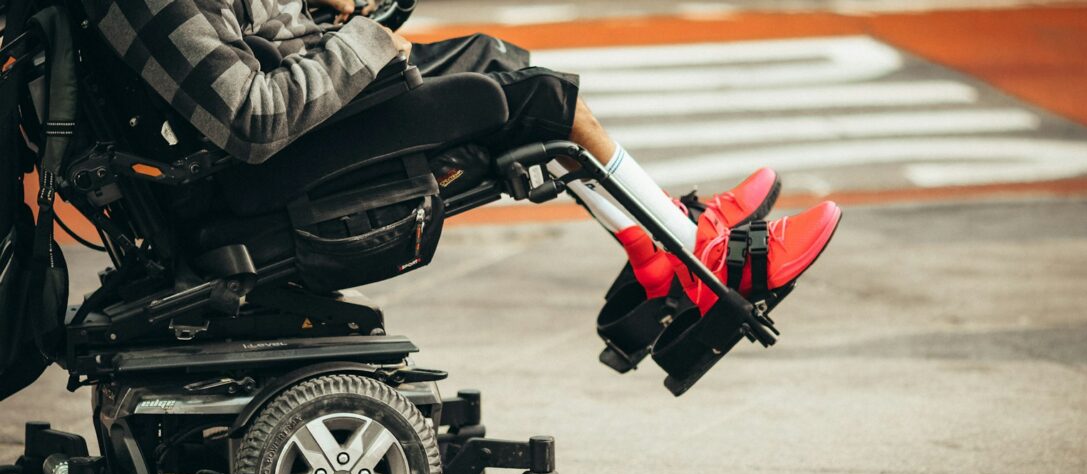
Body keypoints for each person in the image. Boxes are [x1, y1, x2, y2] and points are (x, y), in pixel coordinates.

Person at [83, 0, 840, 312]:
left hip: (278, 132)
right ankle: (705, 264)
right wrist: (364, 41)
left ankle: (661, 241)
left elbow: (249, 36)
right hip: (259, 171)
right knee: (536, 100)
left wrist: (324, 12)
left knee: (497, 57)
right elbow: (251, 118)